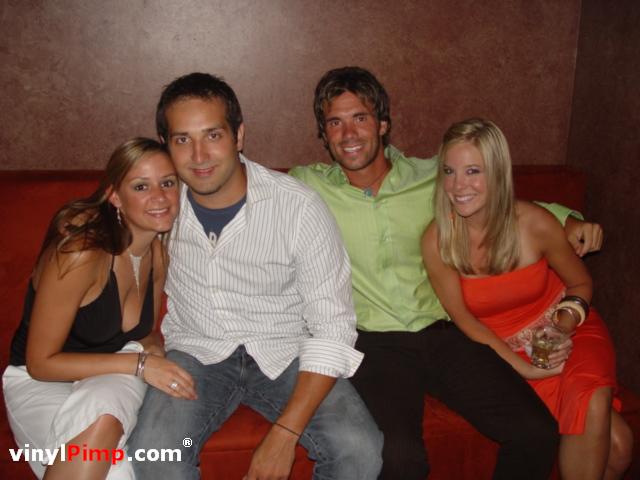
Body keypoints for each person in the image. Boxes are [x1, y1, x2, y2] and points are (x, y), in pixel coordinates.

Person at [290, 66, 605, 479]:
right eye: (335, 122)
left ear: (383, 124)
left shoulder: (432, 177)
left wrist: (568, 219)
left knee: (536, 433)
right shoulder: (309, 186)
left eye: (360, 118)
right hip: (374, 343)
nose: (349, 134)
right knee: (401, 458)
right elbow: (248, 187)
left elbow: (495, 197)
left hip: (444, 332)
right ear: (324, 135)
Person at [127, 72, 383, 480]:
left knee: (359, 451)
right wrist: (146, 340)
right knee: (156, 455)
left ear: (239, 136)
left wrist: (285, 434)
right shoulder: (160, 208)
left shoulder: (297, 207)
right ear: (165, 145)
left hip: (286, 351)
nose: (199, 155)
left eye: (213, 135)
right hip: (197, 351)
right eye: (182, 139)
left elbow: (332, 327)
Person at [422, 118, 633, 480]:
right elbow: (464, 320)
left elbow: (580, 283)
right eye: (449, 171)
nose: (458, 186)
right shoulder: (437, 239)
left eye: (473, 171)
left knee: (594, 402)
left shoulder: (534, 222)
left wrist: (560, 329)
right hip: (502, 352)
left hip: (567, 330)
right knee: (618, 446)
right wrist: (524, 368)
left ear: (497, 173)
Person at [2, 138, 187, 479]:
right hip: (40, 380)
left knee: (106, 418)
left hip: (111, 374)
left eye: (168, 183)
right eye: (141, 186)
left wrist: (154, 349)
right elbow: (40, 363)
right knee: (118, 471)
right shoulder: (82, 254)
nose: (160, 197)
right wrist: (141, 365)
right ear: (115, 196)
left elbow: (144, 333)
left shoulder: (157, 254)